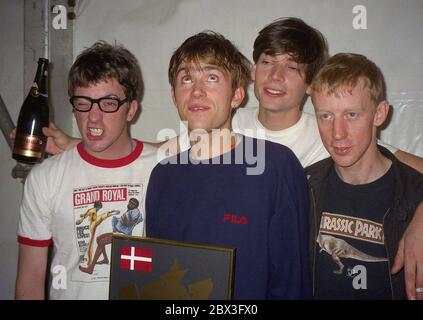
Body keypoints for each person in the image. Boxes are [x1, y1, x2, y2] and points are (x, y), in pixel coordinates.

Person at [145, 31, 311, 299]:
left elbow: (292, 281)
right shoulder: (162, 176)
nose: (197, 91)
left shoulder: (274, 167)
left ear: (236, 96)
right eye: (186, 79)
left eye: (212, 78)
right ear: (175, 97)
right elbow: (160, 277)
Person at [15, 41, 158, 299]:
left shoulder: (161, 168)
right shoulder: (45, 178)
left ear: (131, 110)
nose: (93, 117)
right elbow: (30, 279)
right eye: (84, 102)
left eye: (109, 103)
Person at [305, 53, 423, 299]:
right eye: (326, 116)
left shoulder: (415, 192)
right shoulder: (303, 187)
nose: (337, 133)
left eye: (351, 115)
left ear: (379, 114)